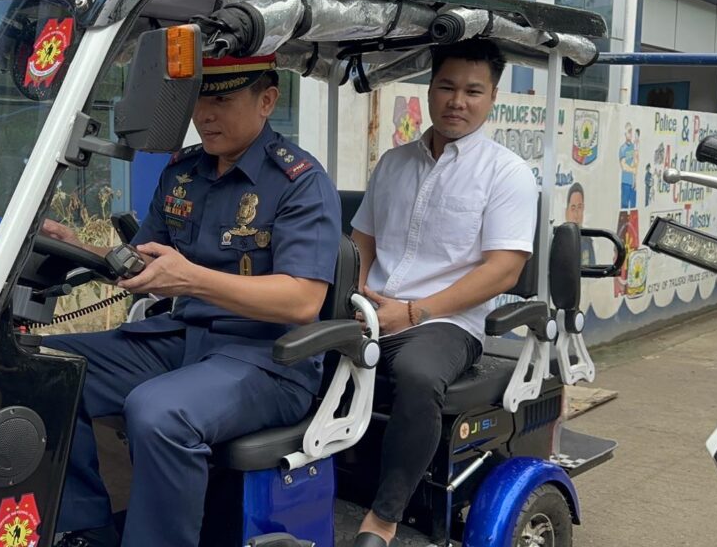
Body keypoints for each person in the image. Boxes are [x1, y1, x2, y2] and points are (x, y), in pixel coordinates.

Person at [41, 53, 342, 547]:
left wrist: (193, 280)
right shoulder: (182, 173)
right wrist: (79, 245)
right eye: (200, 98)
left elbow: (302, 301)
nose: (205, 114)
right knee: (47, 366)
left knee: (158, 411)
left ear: (268, 100)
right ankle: (83, 530)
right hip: (181, 340)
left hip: (268, 359)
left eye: (222, 99)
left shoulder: (300, 181)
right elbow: (145, 262)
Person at [349, 39, 538, 547]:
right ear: (429, 90)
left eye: (473, 91)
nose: (459, 100)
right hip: (373, 307)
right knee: (293, 346)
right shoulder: (393, 162)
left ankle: (384, 517)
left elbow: (503, 272)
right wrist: (359, 290)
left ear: (493, 96)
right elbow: (362, 239)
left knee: (416, 375)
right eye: (447, 87)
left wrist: (412, 312)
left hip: (447, 323)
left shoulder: (507, 174)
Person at [566, 182, 596, 266]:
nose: (576, 214)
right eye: (573, 208)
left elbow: (592, 273)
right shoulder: (560, 240)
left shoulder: (587, 241)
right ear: (567, 211)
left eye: (579, 207)